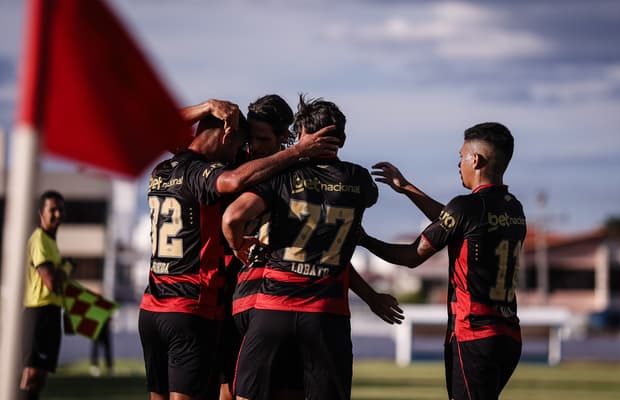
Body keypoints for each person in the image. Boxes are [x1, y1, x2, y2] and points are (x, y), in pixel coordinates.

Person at [138, 98, 340, 400]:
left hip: (268, 300)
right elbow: (156, 131)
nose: (252, 148)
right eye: (249, 139)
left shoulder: (295, 173)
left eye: (262, 139)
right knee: (226, 388)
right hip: (216, 295)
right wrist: (205, 108)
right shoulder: (227, 163)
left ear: (284, 137)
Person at [219, 95, 403, 400]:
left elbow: (233, 216)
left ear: (301, 135)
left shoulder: (280, 175)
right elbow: (355, 213)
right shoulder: (358, 180)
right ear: (341, 139)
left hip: (271, 308)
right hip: (325, 314)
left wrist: (239, 245)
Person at [359, 122, 526, 400]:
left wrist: (362, 239)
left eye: (461, 157)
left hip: (473, 334)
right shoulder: (513, 206)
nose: (458, 164)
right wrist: (407, 188)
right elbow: (456, 221)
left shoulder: (466, 207)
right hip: (508, 335)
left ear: (476, 160)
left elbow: (412, 257)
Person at [21, 190, 73, 400]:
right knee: (31, 375)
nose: (58, 214)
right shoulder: (40, 239)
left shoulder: (50, 241)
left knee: (39, 378)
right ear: (40, 213)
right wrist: (67, 268)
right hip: (37, 314)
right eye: (52, 210)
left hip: (50, 313)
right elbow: (51, 282)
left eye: (60, 209)